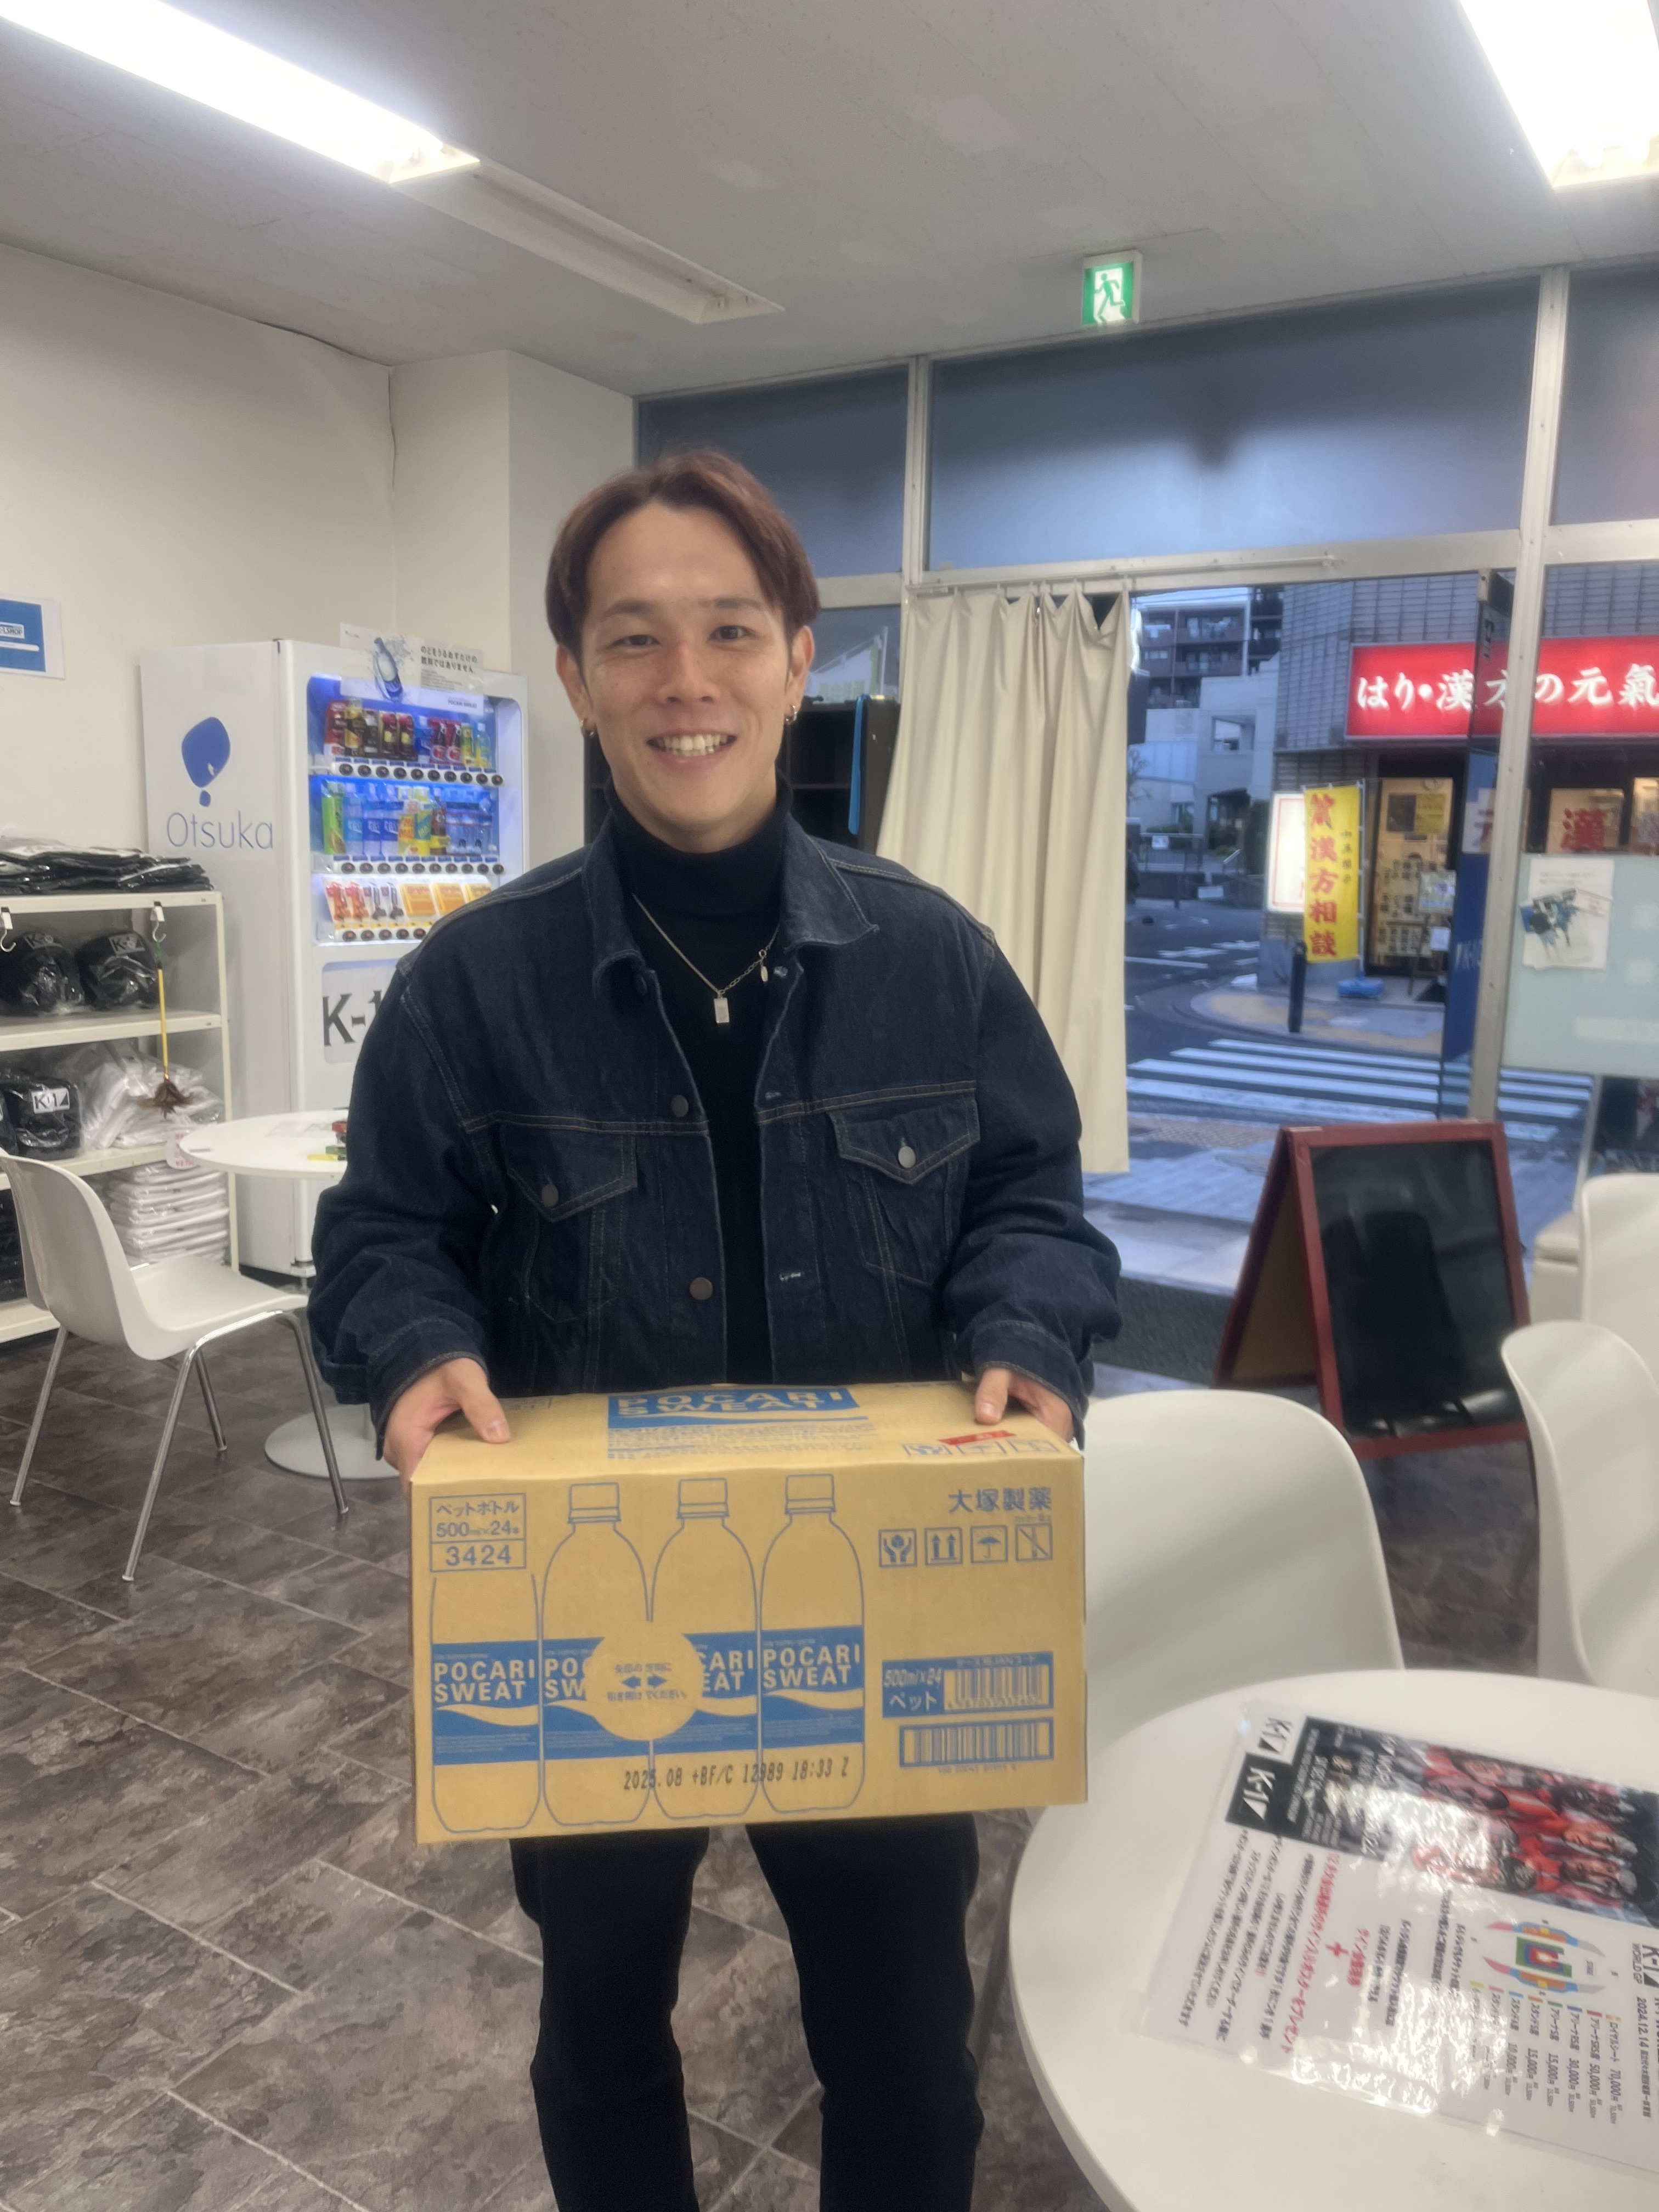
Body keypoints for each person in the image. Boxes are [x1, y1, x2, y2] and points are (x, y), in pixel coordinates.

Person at [308, 449, 1121, 2212]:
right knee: (603, 2024)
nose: (688, 680)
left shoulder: (933, 959)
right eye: (635, 638)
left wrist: (1027, 1329)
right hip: (592, 1597)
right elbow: (380, 1230)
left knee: (903, 2044)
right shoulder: (476, 982)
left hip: (879, 1587)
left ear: (800, 657)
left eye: (731, 631)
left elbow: (1035, 1198)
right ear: (576, 677)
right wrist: (415, 1340)